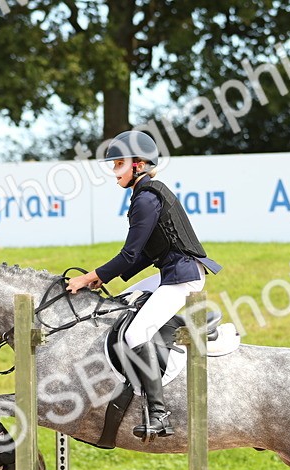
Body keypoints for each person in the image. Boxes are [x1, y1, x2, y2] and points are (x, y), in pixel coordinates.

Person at [66, 130, 222, 440]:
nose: (114, 172)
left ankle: (159, 413)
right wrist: (100, 278)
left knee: (137, 332)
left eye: (118, 164)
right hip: (171, 272)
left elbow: (129, 254)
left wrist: (88, 276)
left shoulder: (147, 198)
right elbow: (142, 257)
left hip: (183, 278)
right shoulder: (146, 193)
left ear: (138, 164)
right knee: (121, 300)